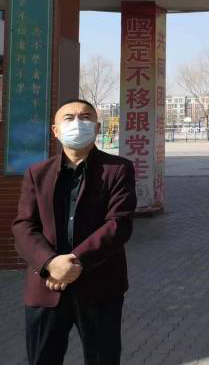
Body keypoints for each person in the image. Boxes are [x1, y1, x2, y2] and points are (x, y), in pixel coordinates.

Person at [12, 98, 137, 365]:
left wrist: (74, 261)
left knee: (104, 359)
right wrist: (50, 263)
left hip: (100, 286)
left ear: (97, 127)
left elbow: (119, 224)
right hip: (46, 286)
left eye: (85, 117)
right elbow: (24, 226)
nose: (77, 123)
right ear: (55, 131)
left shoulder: (118, 170)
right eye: (68, 118)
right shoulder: (37, 173)